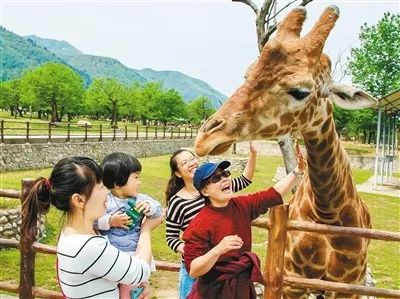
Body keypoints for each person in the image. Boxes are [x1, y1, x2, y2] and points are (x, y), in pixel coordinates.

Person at [21, 156, 162, 299]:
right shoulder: (90, 246)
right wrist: (146, 229)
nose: (107, 192)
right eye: (101, 187)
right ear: (79, 200)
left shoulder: (72, 234)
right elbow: (141, 271)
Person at [183, 143, 306, 299]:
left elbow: (273, 194)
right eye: (216, 178)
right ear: (205, 191)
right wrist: (218, 249)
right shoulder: (199, 224)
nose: (224, 179)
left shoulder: (241, 205)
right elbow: (193, 269)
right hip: (213, 292)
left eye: (225, 174)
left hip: (241, 288)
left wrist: (298, 171)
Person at [165, 142, 257, 299]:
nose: (190, 163)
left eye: (191, 159)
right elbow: (171, 237)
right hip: (196, 266)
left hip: (219, 268)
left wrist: (253, 155)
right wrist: (195, 254)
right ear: (178, 173)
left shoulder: (216, 185)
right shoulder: (177, 201)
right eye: (184, 163)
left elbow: (245, 180)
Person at [97, 152, 163, 299]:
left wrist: (149, 207)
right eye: (136, 177)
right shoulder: (104, 201)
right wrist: (110, 221)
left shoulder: (140, 199)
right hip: (111, 257)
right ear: (117, 183)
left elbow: (159, 211)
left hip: (135, 256)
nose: (139, 182)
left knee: (131, 293)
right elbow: (92, 220)